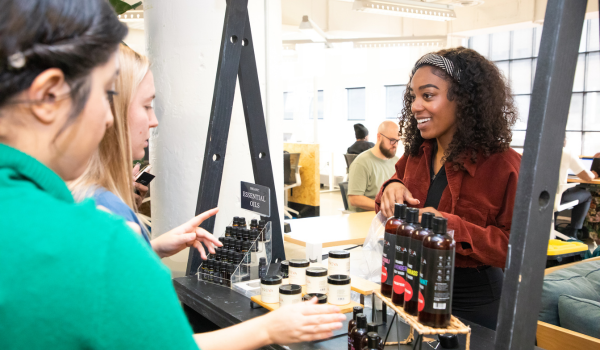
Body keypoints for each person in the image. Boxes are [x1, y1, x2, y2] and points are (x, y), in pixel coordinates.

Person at [0, 1, 344, 349]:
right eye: (106, 95)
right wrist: (268, 330)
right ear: (47, 97)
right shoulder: (99, 241)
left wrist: (151, 247)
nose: (108, 119)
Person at [375, 48, 521, 330]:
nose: (416, 106)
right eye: (413, 97)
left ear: (465, 99)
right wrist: (391, 187)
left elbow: (516, 249)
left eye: (428, 95)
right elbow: (390, 192)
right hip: (411, 284)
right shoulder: (417, 154)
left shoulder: (506, 166)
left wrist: (453, 227)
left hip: (474, 301)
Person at [347, 121, 400, 212]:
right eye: (391, 140)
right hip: (366, 218)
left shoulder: (397, 162)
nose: (395, 145)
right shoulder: (361, 163)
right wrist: (384, 207)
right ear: (379, 137)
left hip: (389, 216)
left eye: (397, 140)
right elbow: (354, 199)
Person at [556, 139, 597, 238]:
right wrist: (594, 174)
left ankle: (550, 229)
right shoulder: (566, 153)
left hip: (538, 197)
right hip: (558, 197)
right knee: (587, 195)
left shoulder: (537, 151)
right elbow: (587, 177)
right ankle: (573, 233)